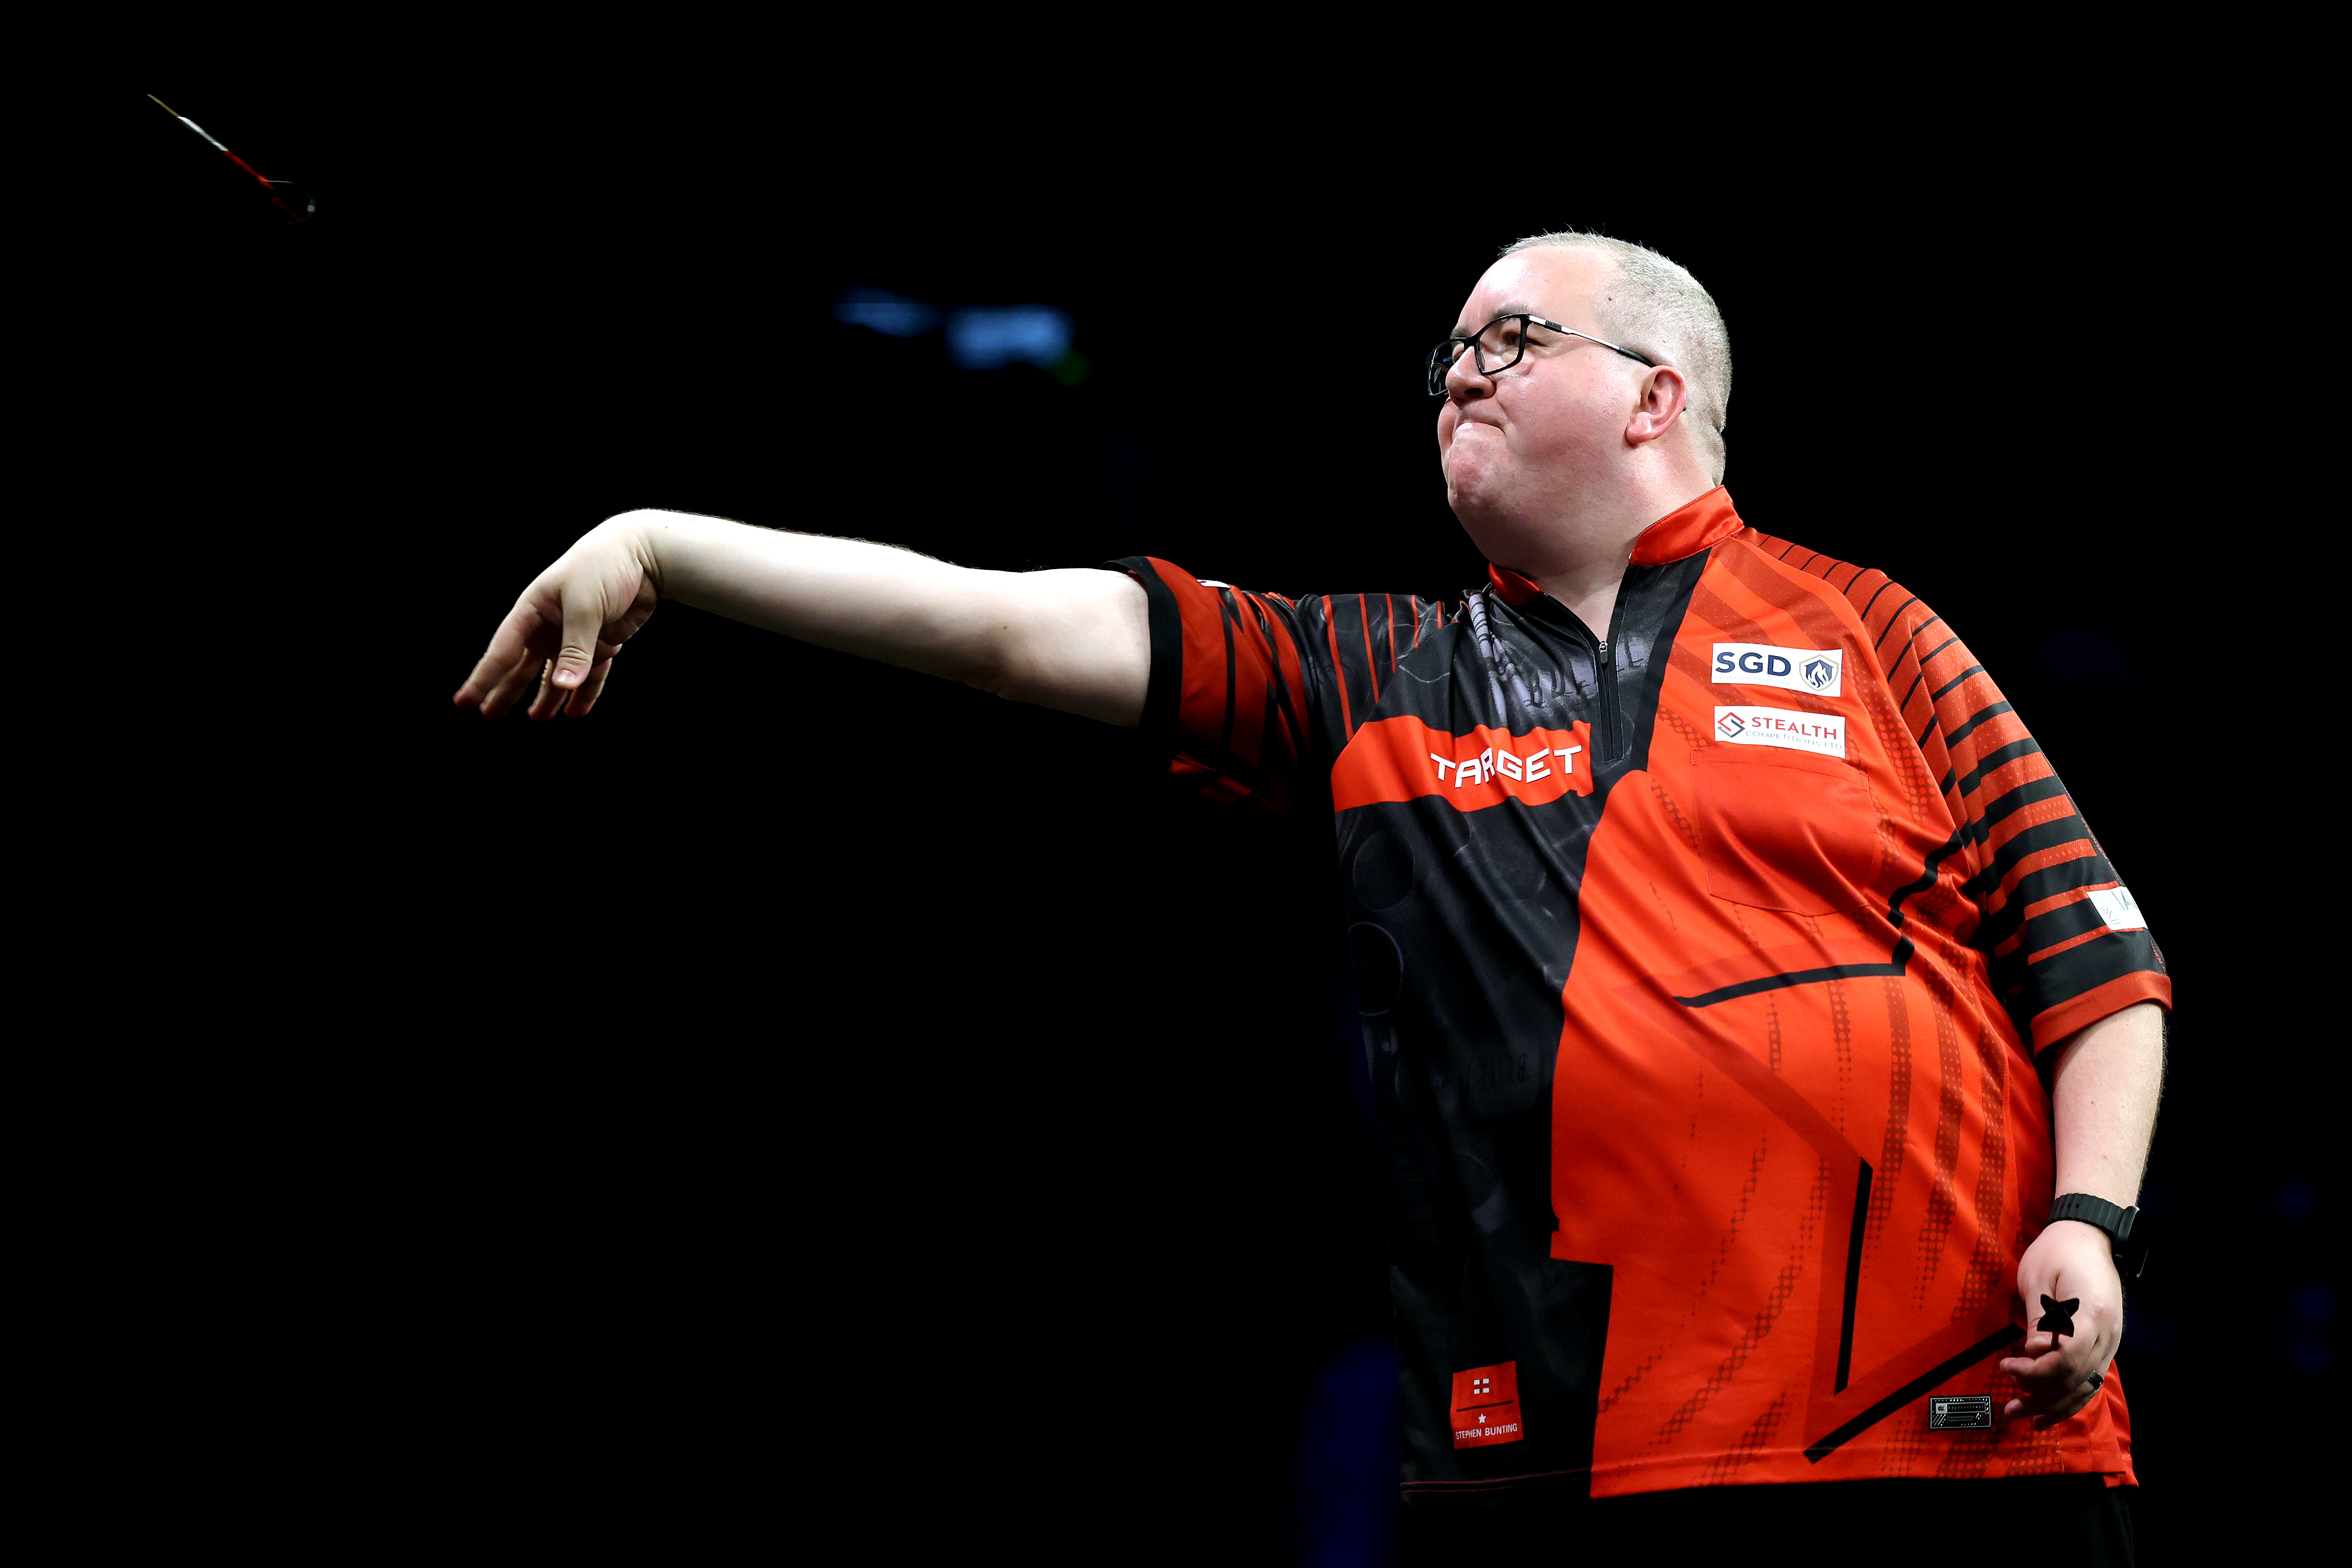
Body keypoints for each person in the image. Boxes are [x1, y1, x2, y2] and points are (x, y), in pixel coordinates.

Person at [454, 232, 2166, 1560]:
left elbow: (2096, 960)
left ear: (1657, 394)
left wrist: (2087, 1223)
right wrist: (663, 542)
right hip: (1563, 1476)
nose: (1458, 373)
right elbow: (995, 622)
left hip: (1955, 1445)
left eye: (1514, 338)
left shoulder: (1874, 631)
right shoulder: (1378, 670)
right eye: (1449, 351)